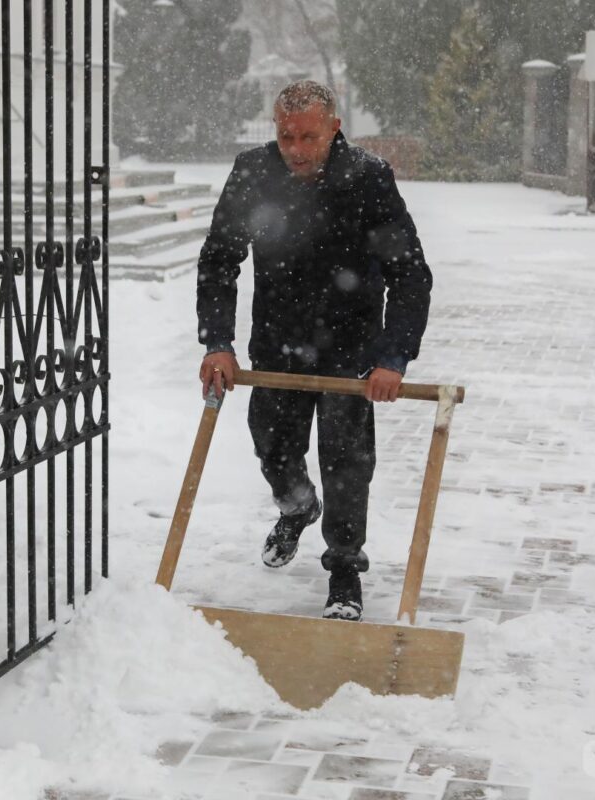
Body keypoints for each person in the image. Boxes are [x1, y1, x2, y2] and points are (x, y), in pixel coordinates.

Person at [195, 80, 433, 621]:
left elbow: (410, 274)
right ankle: (297, 504)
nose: (296, 148)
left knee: (347, 464)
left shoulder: (369, 178)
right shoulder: (254, 172)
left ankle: (345, 569)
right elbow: (219, 259)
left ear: (334, 128)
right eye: (286, 136)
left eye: (308, 136)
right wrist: (217, 342)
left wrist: (393, 358)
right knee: (273, 448)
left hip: (351, 353)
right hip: (277, 346)